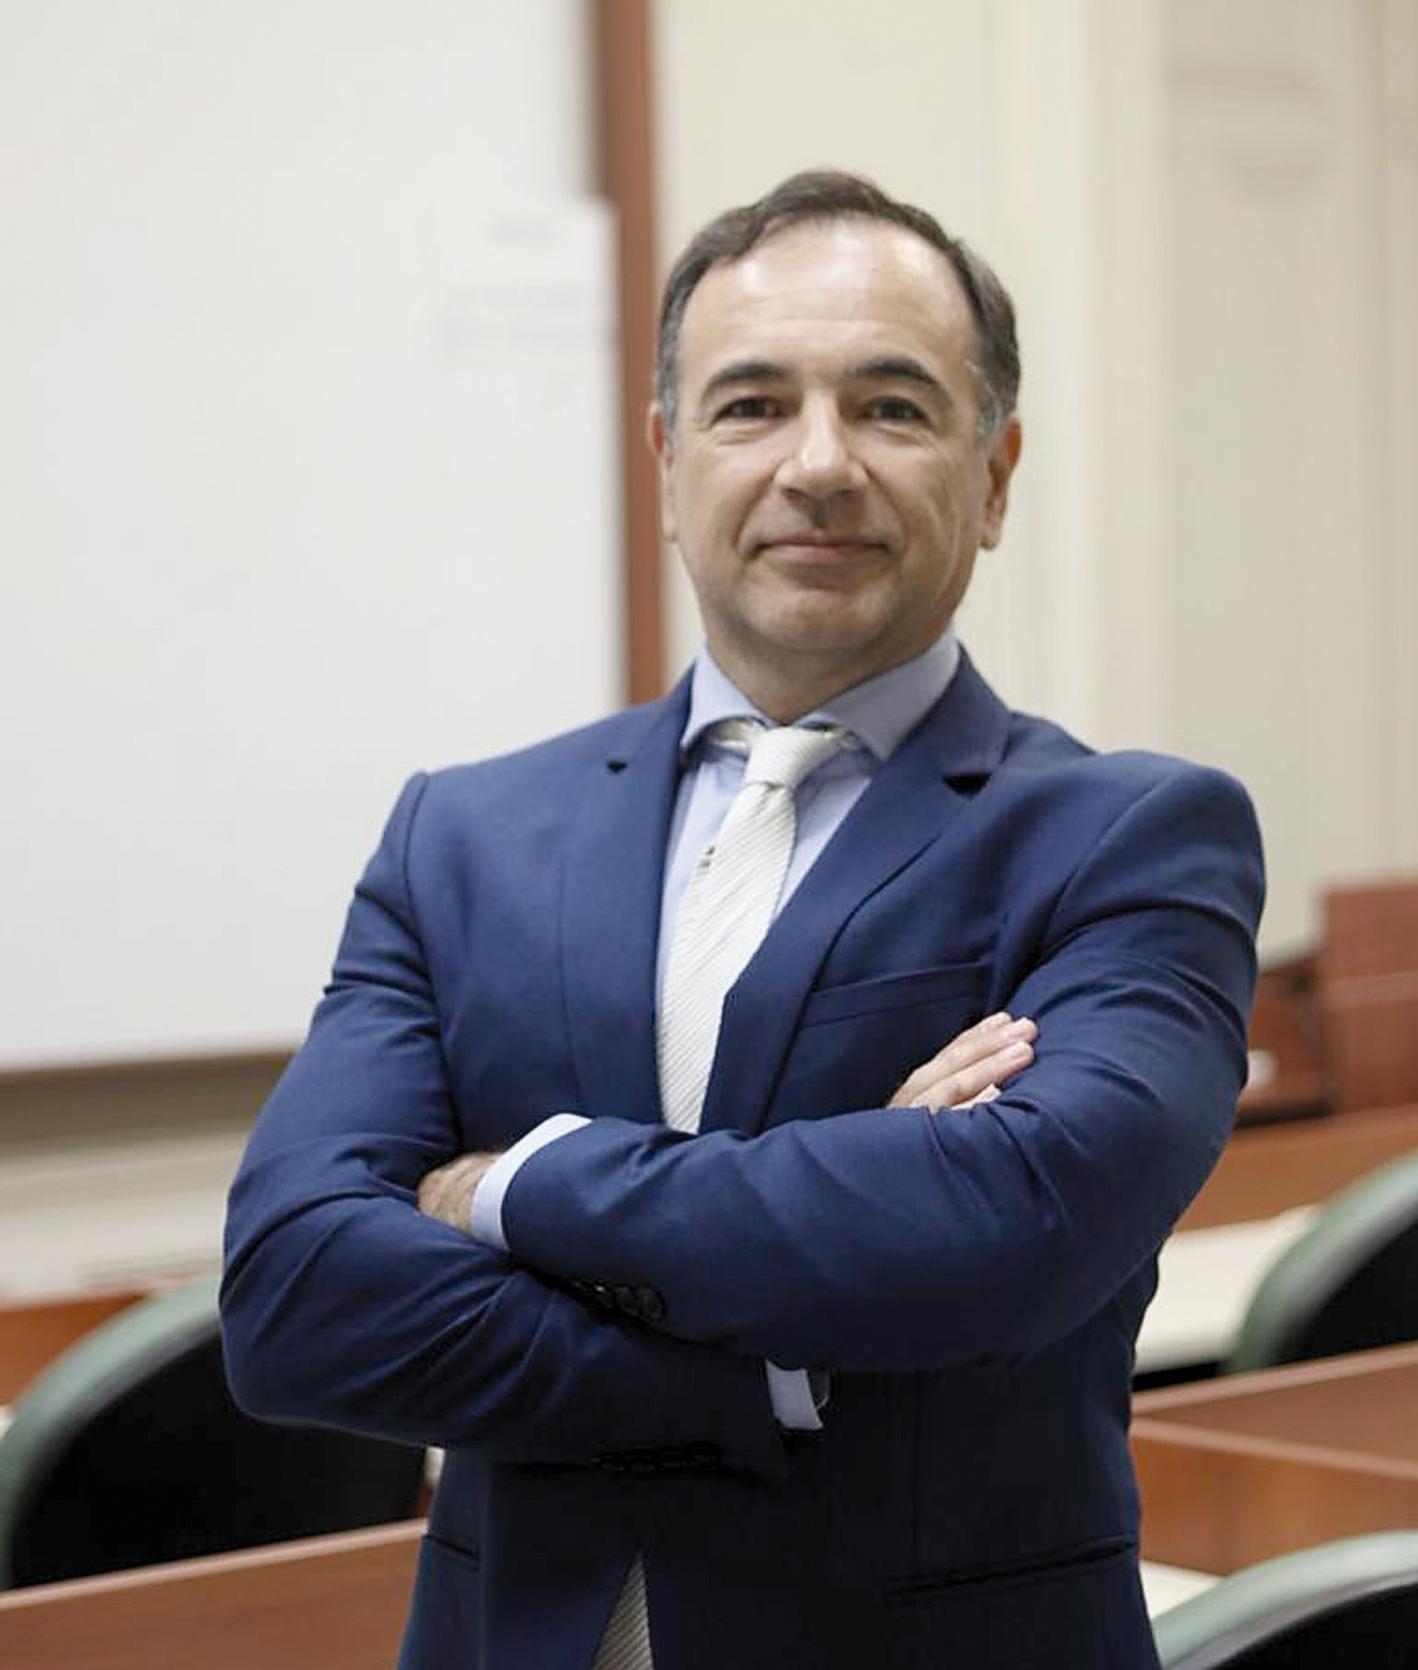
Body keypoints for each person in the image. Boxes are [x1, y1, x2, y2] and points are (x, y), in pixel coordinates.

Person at [221, 170, 1263, 1670]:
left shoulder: (1131, 838)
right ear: (667, 462)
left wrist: (511, 1185)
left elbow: (1013, 1226)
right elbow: (295, 1301)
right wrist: (775, 1357)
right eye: (752, 405)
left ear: (995, 473)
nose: (818, 464)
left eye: (892, 408)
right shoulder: (463, 838)